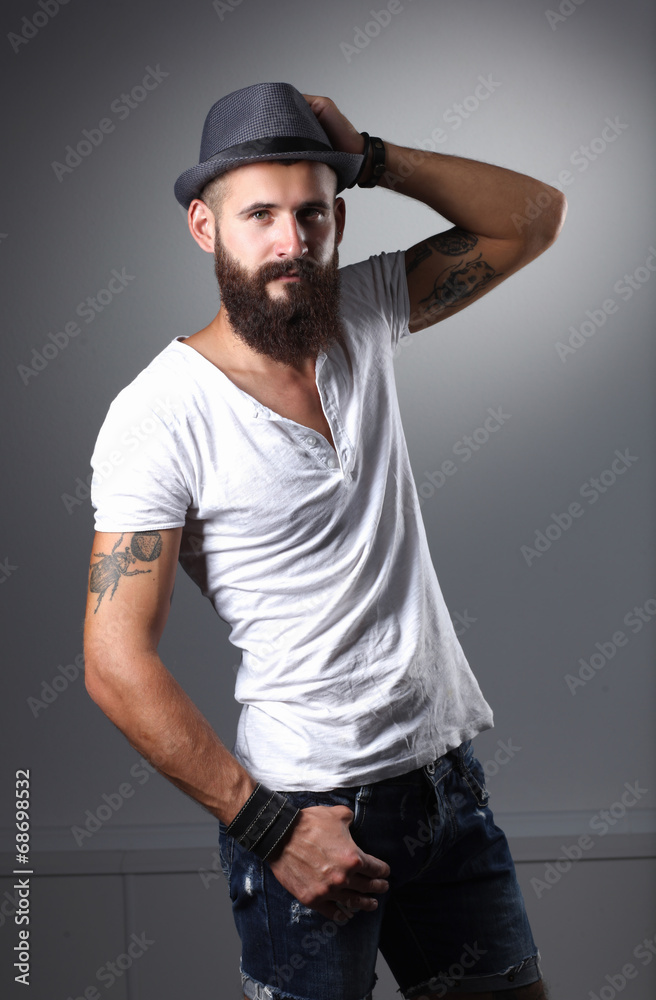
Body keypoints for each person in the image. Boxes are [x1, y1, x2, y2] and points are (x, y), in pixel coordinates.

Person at [84, 82, 566, 1000]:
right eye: (260, 215)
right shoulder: (158, 416)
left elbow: (534, 217)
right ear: (204, 228)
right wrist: (272, 832)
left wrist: (374, 156)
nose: (291, 241)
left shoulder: (364, 311)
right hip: (307, 810)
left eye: (312, 212)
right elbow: (114, 662)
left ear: (338, 219)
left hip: (444, 784)